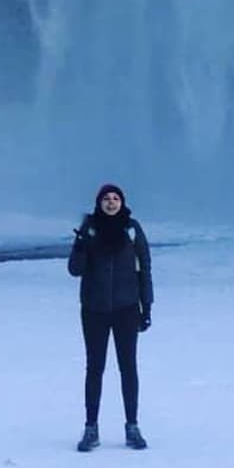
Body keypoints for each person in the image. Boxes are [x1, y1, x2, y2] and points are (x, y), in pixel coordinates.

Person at [67, 181, 153, 452]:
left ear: (122, 202)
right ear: (99, 203)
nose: (111, 202)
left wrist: (146, 306)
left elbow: (144, 269)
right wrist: (80, 246)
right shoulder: (90, 229)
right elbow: (75, 270)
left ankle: (132, 427)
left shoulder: (132, 229)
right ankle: (91, 429)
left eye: (115, 198)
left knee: (128, 367)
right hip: (94, 310)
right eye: (106, 199)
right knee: (95, 367)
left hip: (127, 309)